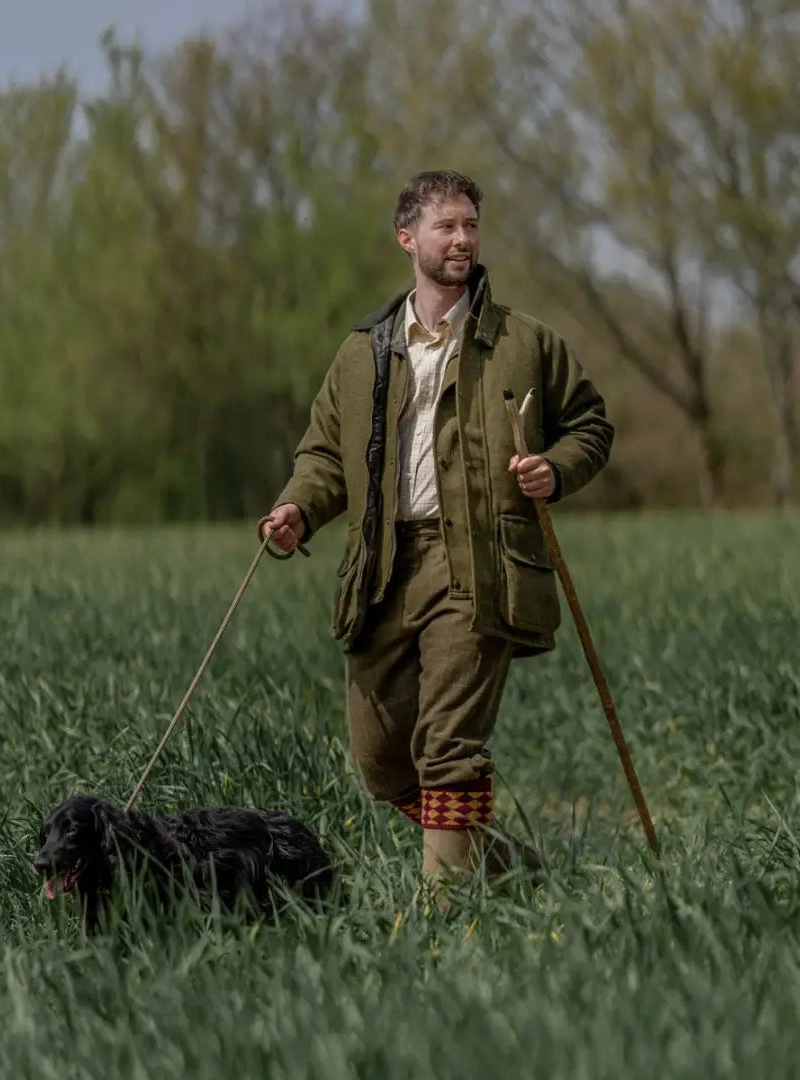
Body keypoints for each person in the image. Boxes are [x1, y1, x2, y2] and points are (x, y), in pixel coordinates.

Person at [261, 169, 613, 888]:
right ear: (407, 238)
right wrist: (298, 508)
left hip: (477, 564)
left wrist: (555, 468)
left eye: (471, 226)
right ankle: (519, 879)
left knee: (449, 749)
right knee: (381, 761)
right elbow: (325, 453)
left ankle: (444, 924)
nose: (462, 239)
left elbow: (590, 425)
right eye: (446, 226)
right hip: (381, 569)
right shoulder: (363, 353)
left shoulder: (524, 342)